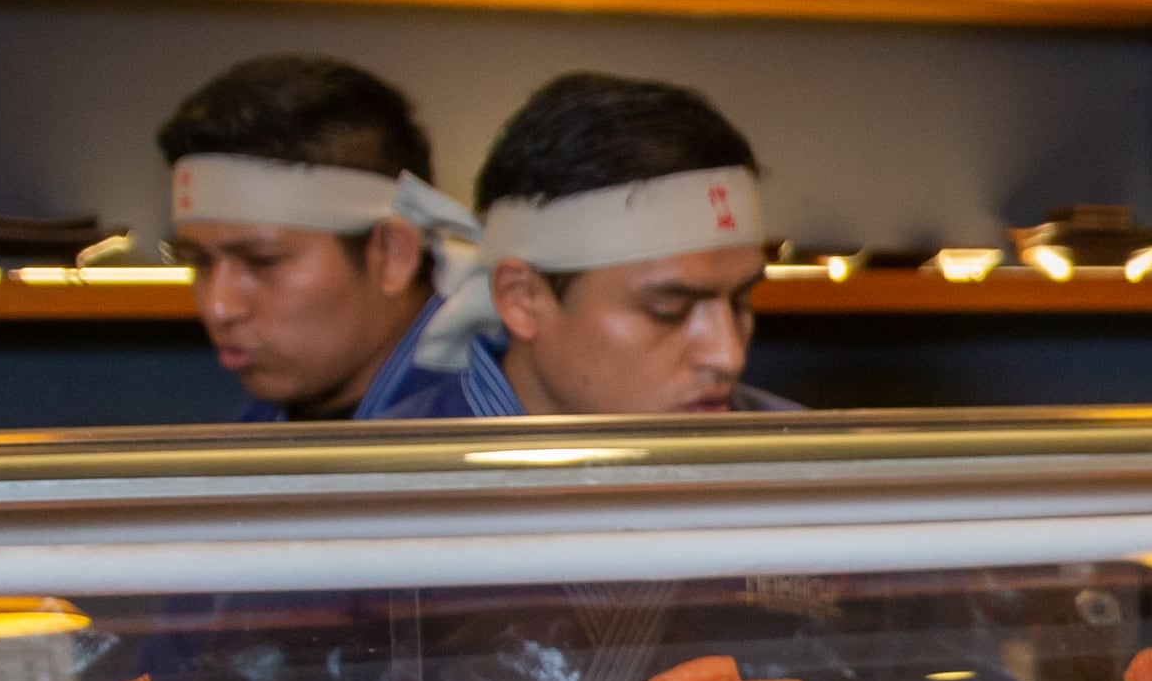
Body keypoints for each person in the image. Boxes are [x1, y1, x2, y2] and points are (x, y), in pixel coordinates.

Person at [425, 71, 795, 418]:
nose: (728, 356)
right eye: (667, 311)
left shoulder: (814, 464)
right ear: (521, 298)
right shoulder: (396, 476)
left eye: (741, 304)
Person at [156, 54, 474, 421]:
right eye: (199, 261)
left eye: (263, 261)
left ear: (392, 253)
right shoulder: (253, 430)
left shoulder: (489, 442)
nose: (218, 308)